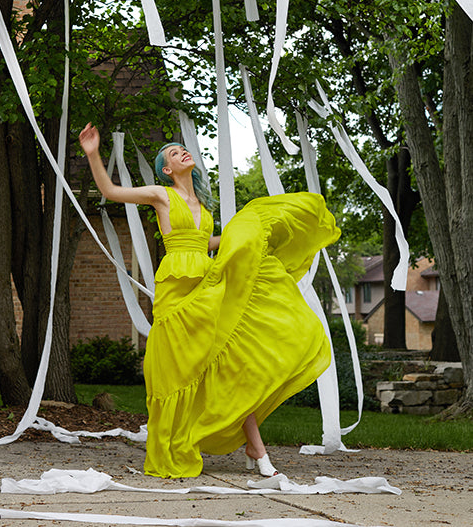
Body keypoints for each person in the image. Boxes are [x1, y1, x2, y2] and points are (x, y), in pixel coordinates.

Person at [79, 122, 340, 479]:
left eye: (182, 149)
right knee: (183, 370)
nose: (182, 151)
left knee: (226, 365)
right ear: (168, 170)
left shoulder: (202, 205)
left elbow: (208, 245)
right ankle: (236, 446)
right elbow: (109, 191)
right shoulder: (162, 194)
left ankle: (255, 446)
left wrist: (248, 239)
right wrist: (93, 153)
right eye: (173, 153)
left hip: (206, 284)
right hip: (177, 293)